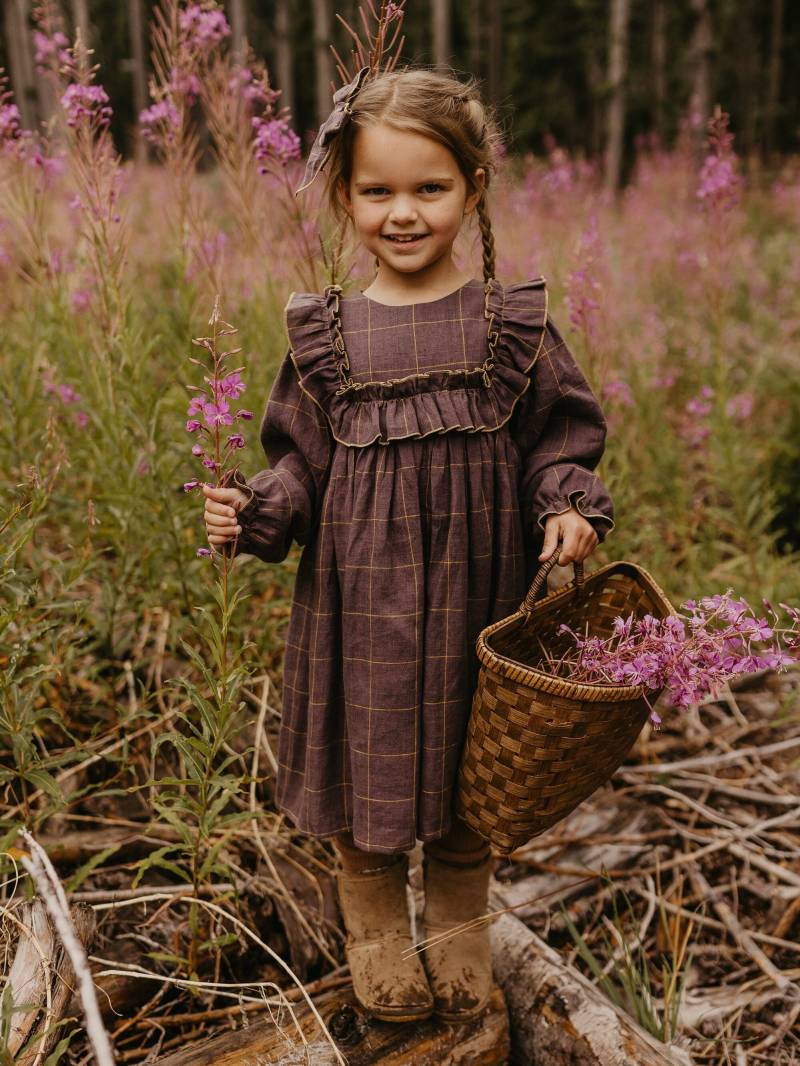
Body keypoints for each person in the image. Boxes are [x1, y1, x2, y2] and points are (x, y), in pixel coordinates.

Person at [202, 65, 615, 1024]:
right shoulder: (329, 337)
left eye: (429, 188)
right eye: (378, 190)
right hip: (363, 604)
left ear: (473, 187)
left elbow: (558, 435)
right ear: (344, 196)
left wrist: (568, 504)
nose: (403, 213)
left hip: (480, 593)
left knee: (480, 764)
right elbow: (299, 467)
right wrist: (255, 511)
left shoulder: (508, 325)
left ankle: (460, 922)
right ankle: (379, 925)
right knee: (373, 757)